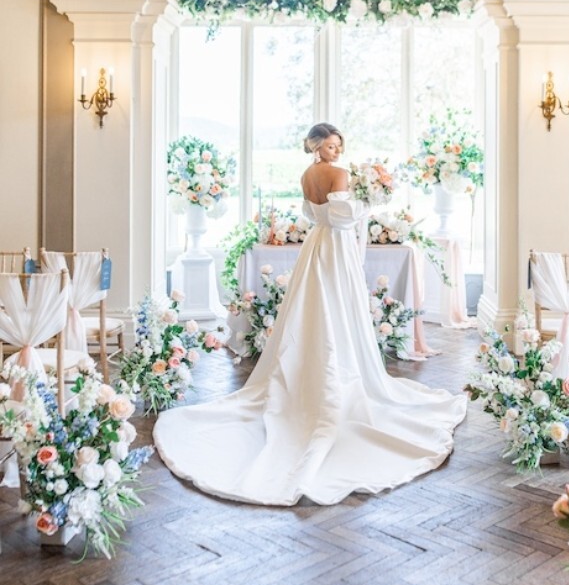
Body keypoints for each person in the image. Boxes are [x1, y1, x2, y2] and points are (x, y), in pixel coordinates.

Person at [154, 123, 467, 506]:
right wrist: (372, 201)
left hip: (316, 245)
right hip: (335, 246)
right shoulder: (340, 173)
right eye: (330, 145)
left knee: (313, 305)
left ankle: (312, 366)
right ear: (316, 146)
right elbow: (344, 218)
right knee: (337, 304)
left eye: (338, 145)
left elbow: (319, 214)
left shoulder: (307, 175)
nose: (336, 151)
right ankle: (336, 372)